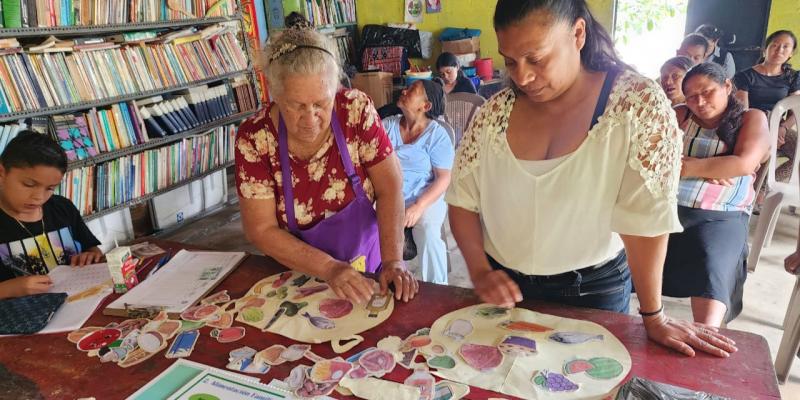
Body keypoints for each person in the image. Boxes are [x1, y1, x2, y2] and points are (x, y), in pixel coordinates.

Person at [447, 0, 737, 357]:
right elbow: (462, 200)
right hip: (502, 291)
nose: (521, 77)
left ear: (578, 34)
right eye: (510, 60)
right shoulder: (494, 113)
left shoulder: (635, 105)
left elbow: (644, 221)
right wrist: (479, 271)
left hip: (591, 293)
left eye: (536, 59)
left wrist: (653, 314)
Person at [235, 27, 418, 304]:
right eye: (296, 106)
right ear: (275, 94)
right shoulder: (255, 138)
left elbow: (390, 187)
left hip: (370, 266)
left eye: (321, 104)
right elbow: (260, 229)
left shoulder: (355, 111)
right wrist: (328, 268)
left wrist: (394, 261)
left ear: (335, 89)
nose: (310, 119)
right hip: (298, 278)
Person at [662, 63, 769, 327]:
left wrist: (686, 165)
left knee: (713, 267)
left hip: (720, 214)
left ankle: (707, 334)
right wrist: (717, 164)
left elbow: (744, 163)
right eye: (691, 96)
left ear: (727, 87)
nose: (699, 101)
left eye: (707, 91)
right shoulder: (679, 116)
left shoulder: (751, 118)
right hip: (666, 206)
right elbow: (654, 158)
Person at [0, 131, 103, 300]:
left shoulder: (62, 208)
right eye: (29, 184)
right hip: (23, 318)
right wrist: (10, 288)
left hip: (77, 303)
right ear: (2, 173)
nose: (39, 197)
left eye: (50, 188)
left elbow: (92, 249)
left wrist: (91, 256)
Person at [382, 80, 454, 285]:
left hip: (425, 196)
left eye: (412, 90)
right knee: (365, 227)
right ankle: (381, 284)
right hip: (389, 196)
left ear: (426, 106)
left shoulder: (437, 135)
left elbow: (444, 178)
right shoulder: (388, 125)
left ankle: (438, 291)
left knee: (428, 232)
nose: (404, 90)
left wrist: (418, 206)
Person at [734, 30, 800, 182]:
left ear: (791, 53)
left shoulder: (793, 77)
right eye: (775, 45)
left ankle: (765, 187)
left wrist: (783, 128)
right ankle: (753, 189)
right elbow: (743, 110)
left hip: (779, 126)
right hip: (752, 125)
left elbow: (796, 107)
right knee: (764, 149)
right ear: (766, 48)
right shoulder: (745, 76)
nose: (779, 50)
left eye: (785, 47)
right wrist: (767, 132)